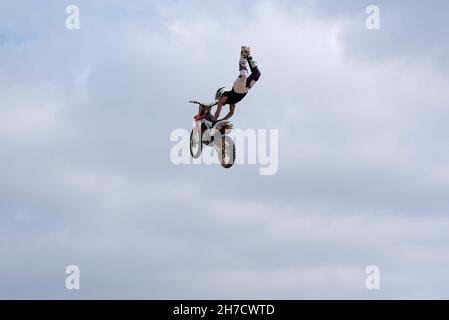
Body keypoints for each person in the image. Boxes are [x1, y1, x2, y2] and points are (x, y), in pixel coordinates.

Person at [213, 46, 261, 122]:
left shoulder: (223, 97)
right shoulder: (231, 103)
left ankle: (243, 53)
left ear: (220, 94)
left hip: (238, 88)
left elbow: (217, 113)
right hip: (245, 89)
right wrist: (223, 120)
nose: (222, 104)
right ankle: (248, 56)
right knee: (257, 74)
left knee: (244, 75)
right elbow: (231, 113)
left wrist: (214, 121)